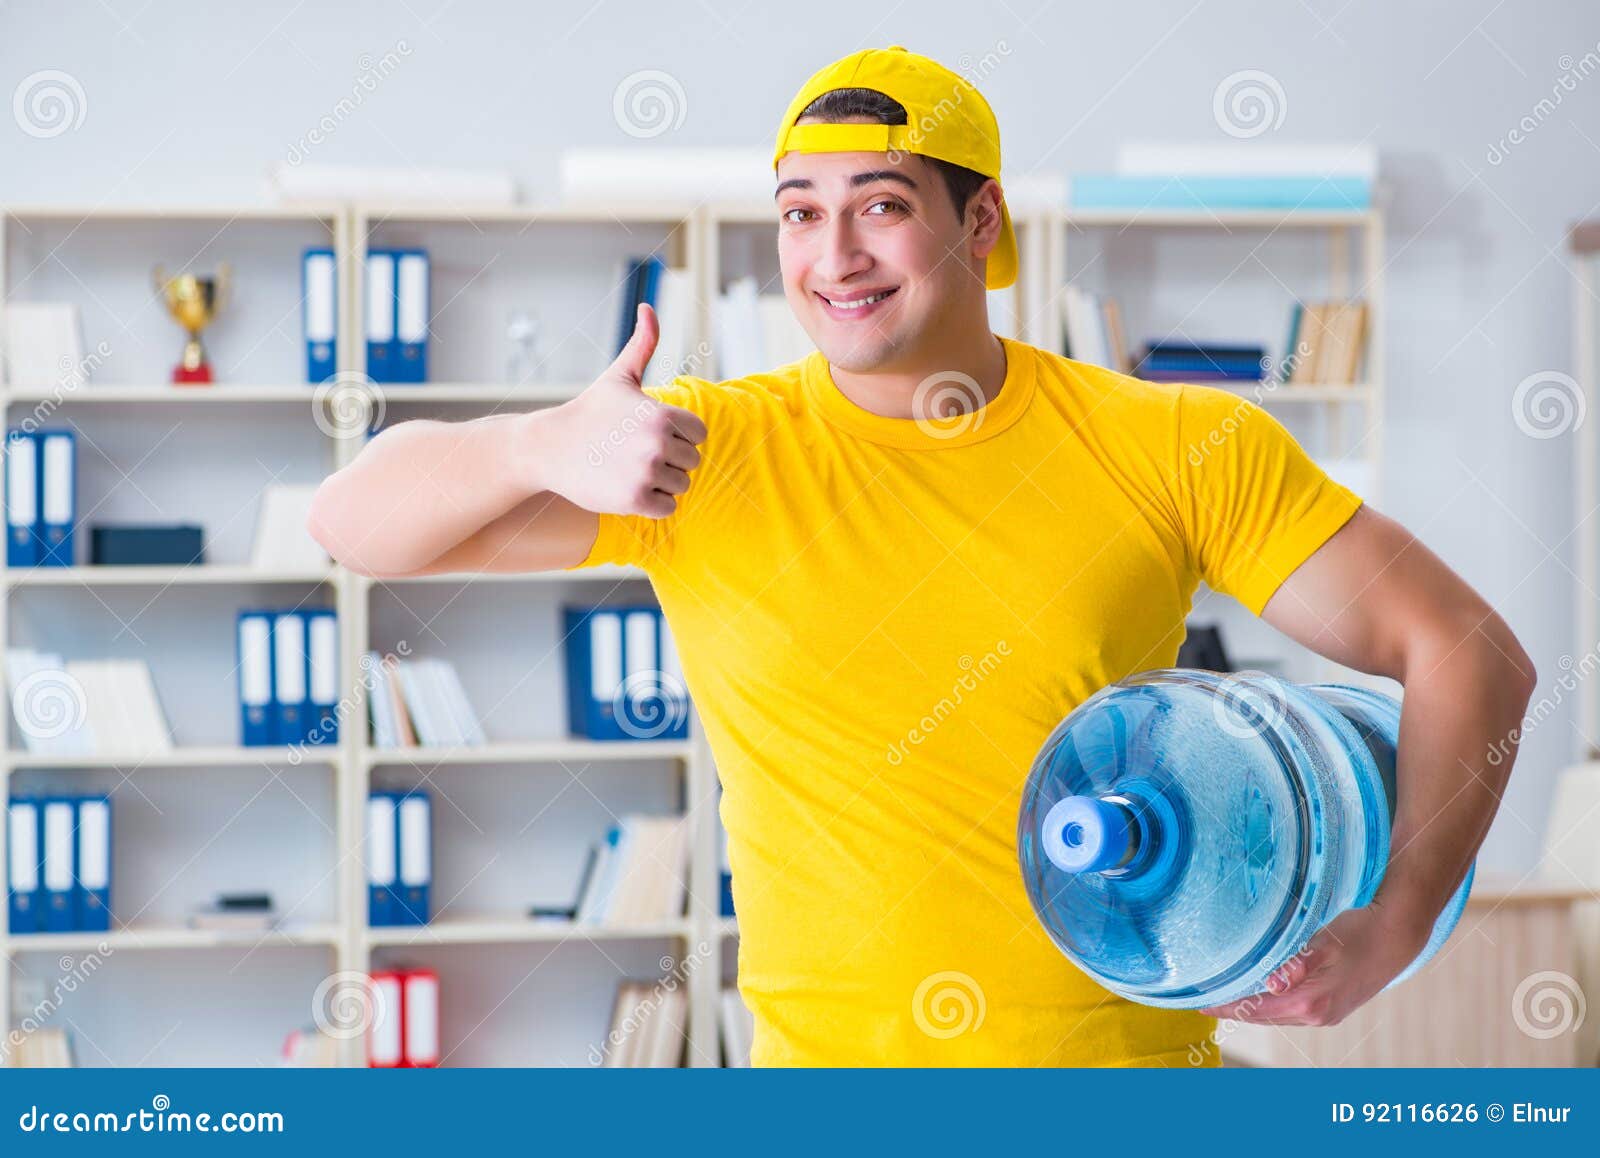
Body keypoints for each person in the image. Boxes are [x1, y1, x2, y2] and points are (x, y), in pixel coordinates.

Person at [309, 45, 1537, 1066]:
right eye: (800, 213)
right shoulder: (701, 451)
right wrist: (536, 442)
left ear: (979, 219)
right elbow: (352, 526)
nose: (832, 255)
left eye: (880, 207)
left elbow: (1466, 651)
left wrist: (1393, 923)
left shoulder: (1176, 445)